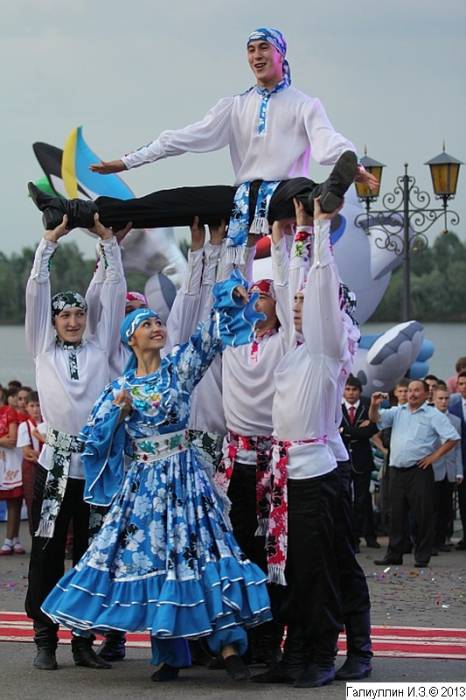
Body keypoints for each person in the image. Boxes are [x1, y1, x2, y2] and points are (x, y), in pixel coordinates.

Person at [40, 272, 272, 684]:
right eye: (146, 324)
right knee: (155, 563)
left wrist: (232, 296)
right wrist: (118, 413)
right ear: (131, 338)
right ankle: (169, 655)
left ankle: (230, 647)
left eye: (158, 322)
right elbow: (93, 439)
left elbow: (208, 338)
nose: (156, 328)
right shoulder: (120, 388)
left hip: (186, 482)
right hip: (145, 488)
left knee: (205, 554)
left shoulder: (178, 369)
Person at [28, 27, 377, 246]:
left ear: (280, 53)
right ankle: (70, 211)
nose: (256, 56)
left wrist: (352, 165)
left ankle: (325, 193)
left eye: (264, 48)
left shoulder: (304, 105)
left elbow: (328, 141)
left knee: (301, 189)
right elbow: (182, 138)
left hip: (284, 196)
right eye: (251, 49)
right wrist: (128, 162)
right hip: (242, 198)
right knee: (170, 202)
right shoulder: (235, 106)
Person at [252, 198, 351, 688]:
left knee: (317, 570)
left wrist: (322, 230)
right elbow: (289, 282)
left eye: (305, 302)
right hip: (282, 475)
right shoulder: (292, 348)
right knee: (287, 569)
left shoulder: (328, 349)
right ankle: (294, 654)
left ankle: (322, 653)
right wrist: (287, 235)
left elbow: (321, 287)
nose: (296, 306)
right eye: (293, 302)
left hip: (314, 474)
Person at [24, 213, 127, 672]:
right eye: (64, 315)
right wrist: (48, 244)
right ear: (52, 321)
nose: (72, 321)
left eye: (79, 314)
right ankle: (45, 639)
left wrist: (109, 244)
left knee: (91, 556)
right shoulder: (41, 348)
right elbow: (36, 292)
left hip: (96, 468)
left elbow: (114, 292)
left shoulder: (101, 348)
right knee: (47, 552)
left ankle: (83, 640)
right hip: (56, 467)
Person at [370, 380, 460, 568]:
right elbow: (375, 419)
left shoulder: (433, 414)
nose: (412, 394)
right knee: (396, 514)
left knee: (423, 514)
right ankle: (394, 554)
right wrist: (374, 405)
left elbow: (452, 438)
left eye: (417, 390)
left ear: (427, 394)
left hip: (420, 470)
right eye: (409, 390)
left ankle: (422, 555)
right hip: (396, 470)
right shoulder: (398, 411)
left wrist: (433, 457)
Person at [340, 375, 380, 550]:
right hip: (342, 459)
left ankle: (366, 536)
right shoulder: (336, 406)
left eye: (354, 390)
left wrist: (345, 431)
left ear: (360, 391)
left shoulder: (367, 405)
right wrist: (353, 431)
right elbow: (334, 430)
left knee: (362, 500)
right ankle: (350, 538)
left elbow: (371, 430)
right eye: (348, 389)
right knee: (345, 499)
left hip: (362, 459)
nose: (351, 393)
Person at [432, 386, 463, 553]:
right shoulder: (428, 417)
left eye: (446, 398)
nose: (444, 402)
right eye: (440, 398)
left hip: (449, 469)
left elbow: (457, 447)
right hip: (432, 467)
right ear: (434, 400)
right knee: (431, 507)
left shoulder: (456, 420)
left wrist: (459, 470)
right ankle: (429, 540)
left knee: (446, 507)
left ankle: (441, 540)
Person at [0, 388, 25, 555]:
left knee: (13, 500)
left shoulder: (8, 411)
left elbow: (12, 440)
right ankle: (14, 539)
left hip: (9, 461)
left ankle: (10, 539)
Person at [16, 390, 44, 536]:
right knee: (32, 502)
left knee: (49, 503)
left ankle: (50, 538)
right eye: (32, 406)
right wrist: (41, 454)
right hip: (32, 468)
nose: (36, 409)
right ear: (26, 407)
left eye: (38, 405)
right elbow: (27, 452)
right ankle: (35, 535)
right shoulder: (24, 426)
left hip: (47, 467)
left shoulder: (48, 424)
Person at [449, 370, 466, 550]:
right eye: (461, 384)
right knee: (463, 501)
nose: (464, 387)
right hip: (461, 460)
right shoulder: (453, 408)